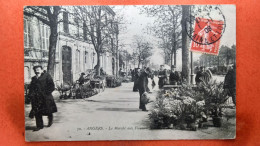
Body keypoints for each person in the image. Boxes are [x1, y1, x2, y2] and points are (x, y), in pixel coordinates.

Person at [28, 65, 57, 131]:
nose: (37, 70)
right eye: (35, 69)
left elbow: (52, 86)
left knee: (48, 110)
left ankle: (50, 120)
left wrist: (46, 93)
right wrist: (30, 95)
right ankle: (39, 126)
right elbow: (31, 88)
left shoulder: (47, 76)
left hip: (46, 97)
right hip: (36, 98)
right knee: (37, 111)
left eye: (38, 69)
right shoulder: (34, 78)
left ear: (41, 70)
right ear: (34, 71)